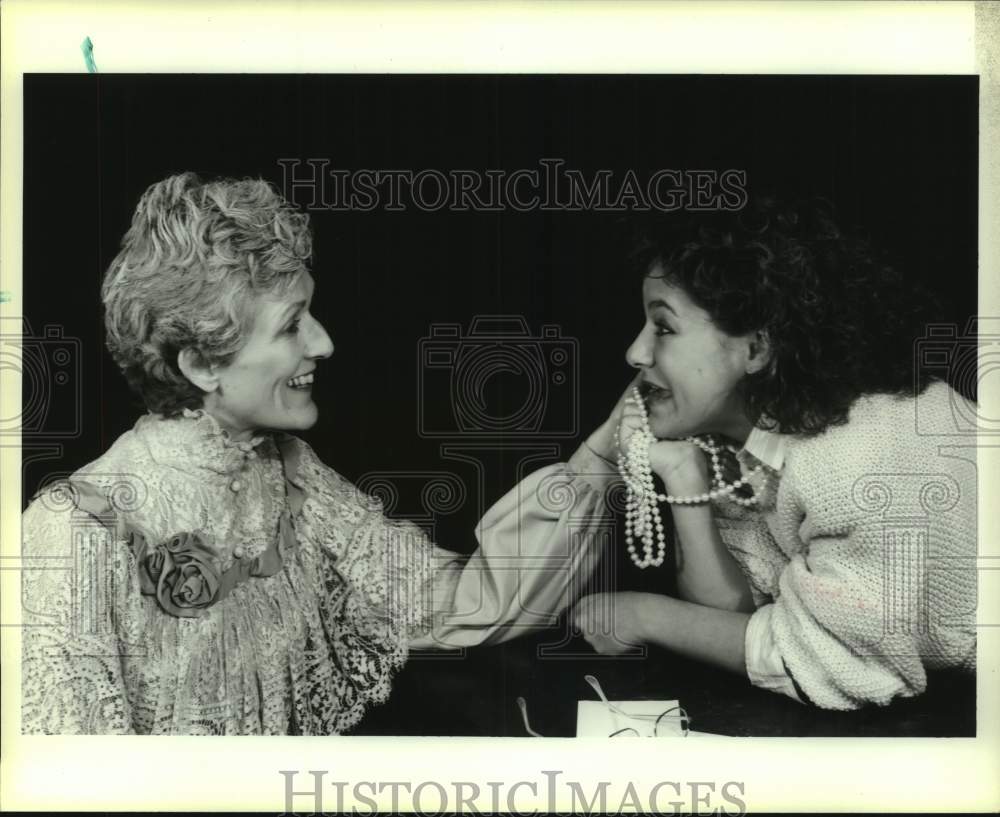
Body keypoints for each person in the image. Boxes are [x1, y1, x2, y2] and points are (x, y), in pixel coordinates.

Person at [20, 172, 617, 735]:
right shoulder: (74, 531)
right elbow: (64, 778)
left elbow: (466, 604)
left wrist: (603, 453)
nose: (324, 342)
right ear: (202, 365)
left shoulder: (291, 475)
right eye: (291, 326)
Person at [571, 197, 977, 710]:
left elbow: (830, 663)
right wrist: (687, 482)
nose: (635, 353)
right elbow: (740, 617)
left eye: (664, 328)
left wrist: (644, 617)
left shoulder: (860, 458)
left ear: (757, 349)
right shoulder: (743, 439)